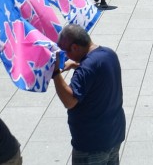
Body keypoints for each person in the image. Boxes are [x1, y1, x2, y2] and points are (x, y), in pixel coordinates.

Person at [53, 24, 125, 165]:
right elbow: (96, 74)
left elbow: (70, 101)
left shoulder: (86, 69)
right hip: (114, 135)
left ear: (74, 47)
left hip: (92, 144)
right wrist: (76, 64)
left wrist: (55, 73)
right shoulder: (109, 54)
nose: (66, 56)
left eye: (65, 52)